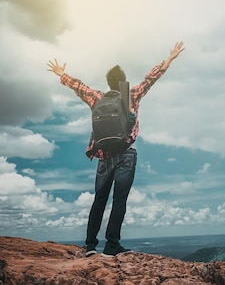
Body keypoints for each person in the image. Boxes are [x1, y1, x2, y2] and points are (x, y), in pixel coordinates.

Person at [47, 41, 185, 257]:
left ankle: (90, 246)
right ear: (122, 82)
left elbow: (79, 86)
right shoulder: (132, 95)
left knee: (99, 200)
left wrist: (62, 74)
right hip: (125, 155)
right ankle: (112, 245)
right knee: (119, 200)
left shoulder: (97, 97)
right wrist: (170, 58)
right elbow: (151, 79)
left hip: (103, 157)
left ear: (108, 82)